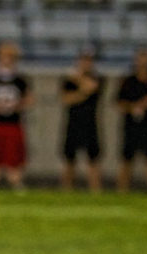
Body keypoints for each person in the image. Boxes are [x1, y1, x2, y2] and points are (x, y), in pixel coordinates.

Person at [0, 41, 32, 191]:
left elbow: (29, 98)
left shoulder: (20, 80)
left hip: (13, 123)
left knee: (14, 159)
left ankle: (16, 182)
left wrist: (17, 106)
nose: (6, 60)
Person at [116, 48, 147, 194]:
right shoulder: (128, 81)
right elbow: (119, 103)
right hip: (132, 126)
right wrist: (134, 107)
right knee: (127, 159)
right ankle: (122, 191)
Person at [60, 48, 104, 192]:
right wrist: (80, 93)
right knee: (69, 158)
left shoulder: (97, 78)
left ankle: (95, 189)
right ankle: (67, 189)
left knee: (93, 158)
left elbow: (91, 88)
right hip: (73, 122)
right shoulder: (68, 80)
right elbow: (66, 99)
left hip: (90, 123)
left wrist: (78, 81)